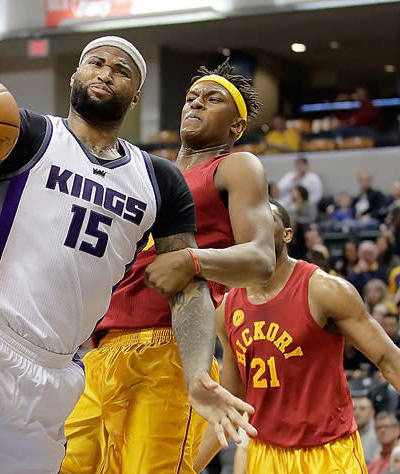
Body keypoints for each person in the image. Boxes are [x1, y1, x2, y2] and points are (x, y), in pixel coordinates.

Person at [0, 36, 254, 474]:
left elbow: (188, 290)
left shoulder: (160, 181)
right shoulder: (26, 133)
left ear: (136, 96)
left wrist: (198, 373)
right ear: (75, 76)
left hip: (57, 373)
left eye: (121, 71)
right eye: (96, 63)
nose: (105, 73)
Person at [62, 60, 274, 474]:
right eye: (191, 97)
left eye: (213, 100)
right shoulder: (146, 174)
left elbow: (262, 258)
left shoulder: (235, 165)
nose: (196, 103)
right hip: (100, 354)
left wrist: (192, 259)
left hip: (169, 350)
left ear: (236, 127)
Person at [194, 202, 400, 474]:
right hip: (265, 454)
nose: (253, 221)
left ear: (286, 234)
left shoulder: (324, 290)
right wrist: (189, 467)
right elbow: (230, 400)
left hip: (329, 452)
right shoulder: (227, 308)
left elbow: (391, 360)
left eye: (264, 215)